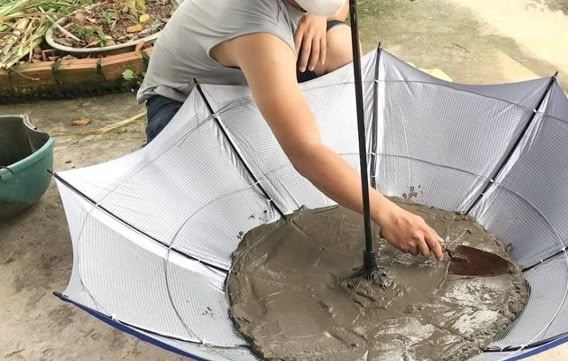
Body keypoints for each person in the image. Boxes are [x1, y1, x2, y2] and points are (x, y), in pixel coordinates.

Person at [136, 0, 444, 259]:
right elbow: (303, 149)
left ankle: (284, 114)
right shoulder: (257, 30)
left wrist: (318, 15)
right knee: (222, 208)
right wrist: (388, 214)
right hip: (188, 103)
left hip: (247, 73)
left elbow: (339, 7)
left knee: (340, 46)